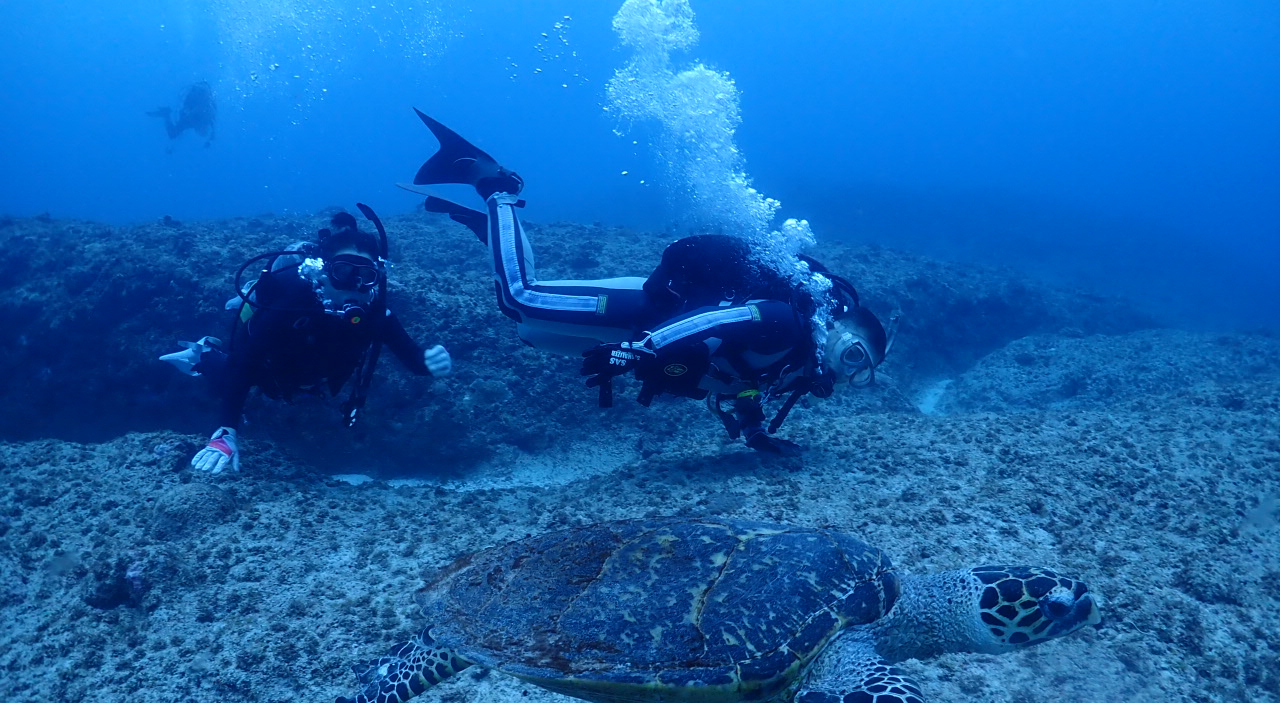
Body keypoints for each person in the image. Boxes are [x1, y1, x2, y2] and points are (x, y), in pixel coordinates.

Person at [401, 111, 896, 456]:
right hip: (650, 311)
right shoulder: (785, 320)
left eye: (861, 373)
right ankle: (497, 186)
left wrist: (754, 432)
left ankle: (494, 229)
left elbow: (744, 382)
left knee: (528, 330)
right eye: (855, 356)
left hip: (645, 331)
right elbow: (714, 320)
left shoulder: (796, 364)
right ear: (840, 329)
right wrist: (638, 350)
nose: (848, 372)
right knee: (520, 300)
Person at [160, 206, 453, 473]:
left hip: (314, 380)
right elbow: (243, 366)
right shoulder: (290, 302)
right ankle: (202, 353)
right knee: (226, 376)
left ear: (376, 277)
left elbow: (413, 359)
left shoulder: (375, 313)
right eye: (343, 271)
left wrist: (428, 363)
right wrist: (226, 432)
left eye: (365, 275)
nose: (354, 284)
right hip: (267, 373)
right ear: (323, 272)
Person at [147, 81, 217, 146]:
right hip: (190, 112)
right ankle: (166, 113)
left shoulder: (201, 122)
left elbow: (212, 133)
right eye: (202, 130)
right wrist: (187, 115)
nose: (199, 130)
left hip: (190, 113)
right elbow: (200, 107)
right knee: (173, 133)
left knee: (172, 134)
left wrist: (209, 141)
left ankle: (166, 113)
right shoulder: (207, 118)